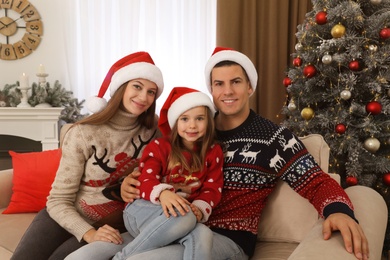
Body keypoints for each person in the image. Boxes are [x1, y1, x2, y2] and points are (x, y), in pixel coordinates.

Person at [67, 47, 369, 260]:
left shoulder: (274, 138)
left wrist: (339, 210)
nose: (228, 91)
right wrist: (125, 187)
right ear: (210, 90)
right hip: (168, 223)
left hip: (226, 238)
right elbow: (151, 171)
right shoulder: (193, 129)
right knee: (88, 253)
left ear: (249, 86)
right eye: (219, 84)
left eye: (236, 82)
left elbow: (315, 180)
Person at [11, 51, 164, 260]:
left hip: (112, 223)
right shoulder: (84, 133)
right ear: (121, 87)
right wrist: (89, 234)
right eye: (137, 86)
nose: (144, 97)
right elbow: (58, 200)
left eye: (151, 92)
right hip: (63, 215)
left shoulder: (154, 131)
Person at [113, 87, 224, 260]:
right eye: (185, 119)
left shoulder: (213, 152)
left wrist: (200, 209)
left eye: (200, 118)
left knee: (203, 233)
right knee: (185, 216)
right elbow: (145, 179)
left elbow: (213, 187)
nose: (192, 125)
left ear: (209, 121)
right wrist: (163, 193)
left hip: (179, 217)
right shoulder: (159, 147)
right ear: (175, 122)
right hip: (142, 210)